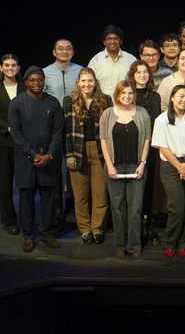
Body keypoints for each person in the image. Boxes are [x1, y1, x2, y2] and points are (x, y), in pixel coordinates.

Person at [8, 66, 63, 252]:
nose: (37, 83)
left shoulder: (53, 103)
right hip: (26, 159)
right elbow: (16, 132)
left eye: (40, 80)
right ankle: (29, 235)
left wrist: (49, 155)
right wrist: (33, 154)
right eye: (32, 80)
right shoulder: (17, 103)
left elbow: (57, 131)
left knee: (49, 197)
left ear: (44, 81)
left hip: (49, 158)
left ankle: (47, 232)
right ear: (26, 82)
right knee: (26, 197)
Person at [99, 81, 151, 258]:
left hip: (136, 165)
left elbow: (147, 140)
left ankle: (134, 246)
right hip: (115, 166)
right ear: (117, 95)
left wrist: (142, 163)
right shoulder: (107, 114)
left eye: (130, 93)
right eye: (123, 93)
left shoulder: (142, 113)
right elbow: (104, 141)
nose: (127, 97)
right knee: (118, 208)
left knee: (135, 209)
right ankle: (120, 244)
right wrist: (110, 166)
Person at [151, 85, 185, 258]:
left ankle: (184, 241)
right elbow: (162, 147)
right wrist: (179, 166)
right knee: (177, 207)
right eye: (180, 96)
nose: (184, 100)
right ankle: (170, 241)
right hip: (170, 166)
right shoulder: (162, 119)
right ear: (172, 97)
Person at [63, 68, 111, 245]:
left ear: (95, 82)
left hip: (99, 150)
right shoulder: (69, 100)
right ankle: (84, 229)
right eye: (83, 81)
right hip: (77, 150)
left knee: (100, 193)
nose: (87, 84)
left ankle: (97, 228)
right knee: (80, 193)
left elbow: (109, 129)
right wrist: (69, 155)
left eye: (90, 81)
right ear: (78, 82)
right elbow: (66, 130)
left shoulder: (105, 100)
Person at [0, 54, 26, 235]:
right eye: (7, 65)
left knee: (25, 182)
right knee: (6, 183)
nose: (10, 68)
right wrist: (7, 128)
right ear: (1, 67)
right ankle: (10, 220)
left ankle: (26, 218)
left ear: (18, 67)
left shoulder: (25, 86)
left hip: (25, 143)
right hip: (4, 142)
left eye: (13, 65)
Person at [127, 60, 164, 244]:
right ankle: (137, 228)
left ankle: (151, 226)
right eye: (138, 72)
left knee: (152, 188)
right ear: (132, 75)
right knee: (137, 189)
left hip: (153, 149)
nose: (142, 75)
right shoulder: (129, 96)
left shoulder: (155, 97)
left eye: (145, 72)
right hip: (135, 149)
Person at [87, 25, 136, 97]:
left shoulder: (131, 60)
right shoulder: (95, 61)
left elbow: (136, 84)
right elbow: (89, 84)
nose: (112, 41)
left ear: (121, 41)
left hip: (125, 104)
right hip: (101, 105)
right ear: (104, 42)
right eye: (109, 38)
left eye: (115, 38)